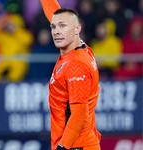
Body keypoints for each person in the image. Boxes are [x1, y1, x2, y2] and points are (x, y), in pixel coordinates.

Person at [40, 0, 101, 150]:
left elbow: (79, 116)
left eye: (62, 26)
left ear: (77, 29)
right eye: (53, 27)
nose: (56, 31)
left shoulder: (76, 65)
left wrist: (62, 147)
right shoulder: (81, 47)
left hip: (76, 145)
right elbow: (56, 14)